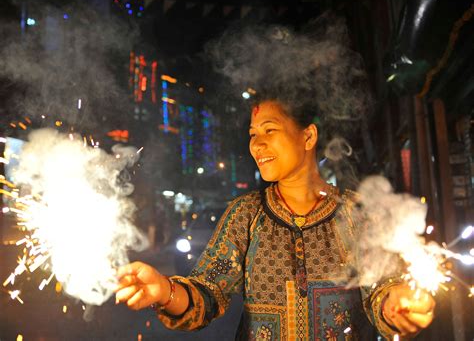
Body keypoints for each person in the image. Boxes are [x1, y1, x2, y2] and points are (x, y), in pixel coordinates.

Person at [115, 96, 436, 340]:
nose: (256, 144)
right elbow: (206, 293)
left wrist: (401, 305)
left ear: (308, 137)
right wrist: (163, 291)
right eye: (253, 134)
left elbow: (385, 289)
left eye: (270, 130)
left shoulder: (358, 215)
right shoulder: (246, 215)